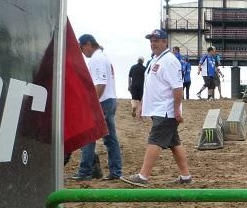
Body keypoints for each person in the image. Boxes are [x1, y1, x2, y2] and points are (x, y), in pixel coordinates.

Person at [122, 29, 191, 187]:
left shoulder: (170, 61)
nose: (153, 43)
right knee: (174, 143)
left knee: (154, 140)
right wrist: (142, 105)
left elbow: (178, 88)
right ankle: (186, 176)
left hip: (166, 110)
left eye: (157, 40)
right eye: (151, 41)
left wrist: (177, 110)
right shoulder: (155, 59)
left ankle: (143, 176)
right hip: (159, 109)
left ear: (165, 42)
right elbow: (150, 86)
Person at [71, 33, 122, 181]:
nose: (81, 52)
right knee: (110, 139)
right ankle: (116, 172)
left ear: (88, 44)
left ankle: (85, 171)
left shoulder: (97, 59)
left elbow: (100, 84)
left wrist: (92, 103)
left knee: (89, 135)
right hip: (109, 100)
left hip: (102, 101)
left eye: (81, 48)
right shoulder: (103, 57)